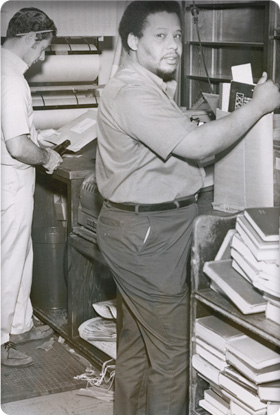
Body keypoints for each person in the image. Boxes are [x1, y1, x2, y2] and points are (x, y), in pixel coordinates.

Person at [95, 2, 280, 414]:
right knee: (173, 354)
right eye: (161, 37)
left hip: (146, 229)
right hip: (148, 236)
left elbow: (172, 136)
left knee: (138, 344)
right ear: (132, 40)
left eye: (177, 36)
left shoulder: (141, 86)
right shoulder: (132, 91)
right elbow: (195, 146)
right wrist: (259, 106)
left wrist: (195, 119)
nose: (174, 46)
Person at [1, 7, 63, 368]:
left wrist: (39, 144)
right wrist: (46, 157)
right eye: (44, 48)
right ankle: (2, 339)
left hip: (10, 179)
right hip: (11, 178)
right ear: (29, 39)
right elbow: (17, 146)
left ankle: (19, 324)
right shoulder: (11, 79)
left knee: (21, 254)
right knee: (9, 260)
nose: (43, 57)